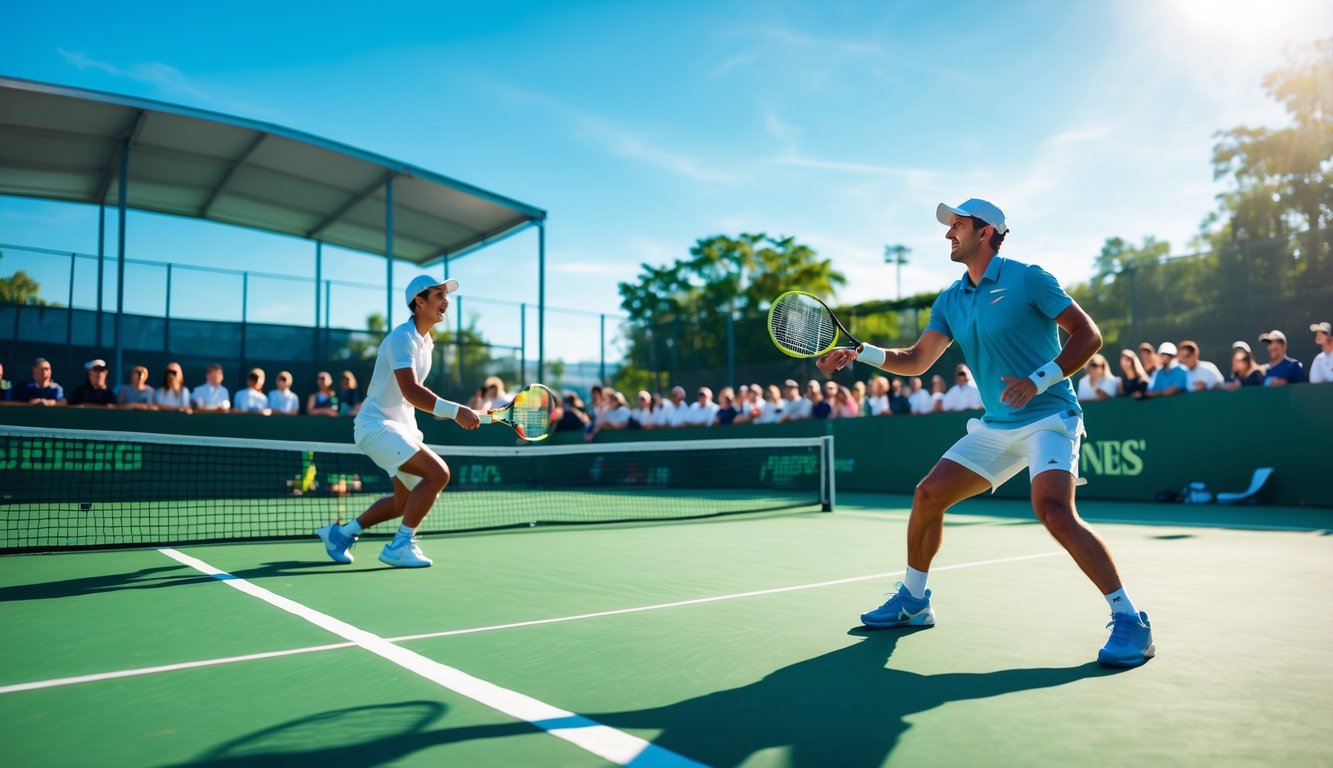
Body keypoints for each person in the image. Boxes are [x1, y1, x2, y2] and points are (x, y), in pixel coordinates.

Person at [816, 198, 1152, 667]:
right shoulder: (951, 299)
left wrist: (1038, 381)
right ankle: (914, 602)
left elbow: (1088, 335)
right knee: (928, 494)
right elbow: (916, 360)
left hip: (1050, 416)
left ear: (987, 231)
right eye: (949, 226)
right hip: (996, 425)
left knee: (1053, 510)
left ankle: (1130, 618)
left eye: (958, 225)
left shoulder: (1029, 278)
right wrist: (860, 352)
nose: (948, 234)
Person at [315, 275, 480, 569]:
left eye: (446, 296)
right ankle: (400, 545)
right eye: (439, 295)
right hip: (376, 427)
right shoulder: (401, 338)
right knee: (438, 474)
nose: (446, 302)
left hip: (399, 428)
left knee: (403, 501)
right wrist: (456, 411)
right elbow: (412, 391)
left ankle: (340, 534)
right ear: (419, 301)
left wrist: (459, 412)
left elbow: (410, 398)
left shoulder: (425, 343)